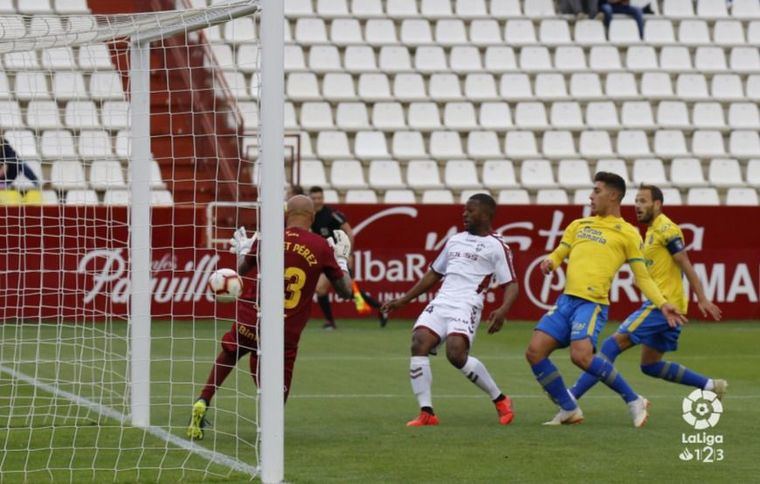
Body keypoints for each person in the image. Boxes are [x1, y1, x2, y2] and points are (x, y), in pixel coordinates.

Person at [525, 172, 686, 428]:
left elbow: (643, 277)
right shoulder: (579, 225)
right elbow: (561, 251)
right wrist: (550, 262)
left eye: (597, 191)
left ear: (613, 195)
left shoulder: (628, 233)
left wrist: (662, 303)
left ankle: (634, 401)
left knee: (581, 356)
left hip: (592, 303)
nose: (591, 195)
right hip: (567, 300)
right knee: (534, 352)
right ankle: (568, 409)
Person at [187, 195, 354, 440]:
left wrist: (246, 250)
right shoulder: (320, 246)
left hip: (252, 317)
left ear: (287, 214)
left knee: (230, 353)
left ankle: (203, 398)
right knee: (276, 393)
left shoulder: (268, 238)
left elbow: (241, 272)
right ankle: (268, 423)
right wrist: (341, 260)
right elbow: (346, 292)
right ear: (313, 216)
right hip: (285, 330)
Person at [570, 184, 727, 403]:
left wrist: (702, 298)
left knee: (610, 346)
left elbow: (685, 263)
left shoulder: (666, 229)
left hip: (662, 307)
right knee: (650, 365)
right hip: (668, 307)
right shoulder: (651, 232)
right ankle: (710, 385)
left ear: (657, 204)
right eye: (636, 201)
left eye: (643, 201)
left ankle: (570, 397)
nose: (637, 206)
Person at [382, 194, 519, 427]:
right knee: (419, 342)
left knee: (456, 354)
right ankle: (426, 412)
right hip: (443, 300)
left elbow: (512, 284)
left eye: (470, 211)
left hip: (467, 304)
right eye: (464, 210)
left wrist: (503, 310)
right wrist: (404, 299)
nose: (464, 214)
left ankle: (501, 399)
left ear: (485, 214)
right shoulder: (455, 240)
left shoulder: (497, 246)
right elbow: (434, 273)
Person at [308, 185, 388, 328]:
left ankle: (381, 308)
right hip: (325, 256)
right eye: (314, 198)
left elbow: (349, 232)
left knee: (343, 290)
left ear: (323, 198)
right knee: (329, 290)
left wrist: (348, 254)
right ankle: (380, 307)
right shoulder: (311, 216)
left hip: (337, 256)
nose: (317, 201)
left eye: (319, 198)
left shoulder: (332, 214)